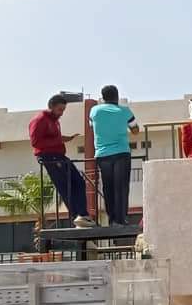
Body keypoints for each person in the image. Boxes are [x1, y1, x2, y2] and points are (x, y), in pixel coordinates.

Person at [27, 94, 94, 227]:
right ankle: (78, 215)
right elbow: (35, 142)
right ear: (51, 107)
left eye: (63, 110)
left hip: (59, 156)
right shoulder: (40, 119)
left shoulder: (54, 121)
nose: (61, 113)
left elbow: (53, 138)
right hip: (50, 157)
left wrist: (66, 139)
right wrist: (58, 140)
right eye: (60, 109)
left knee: (78, 182)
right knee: (66, 186)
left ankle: (82, 214)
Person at [89, 84, 139, 226]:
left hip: (102, 154)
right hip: (121, 152)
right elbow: (135, 130)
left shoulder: (94, 111)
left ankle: (112, 220)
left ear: (103, 97)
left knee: (108, 187)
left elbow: (92, 126)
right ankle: (121, 219)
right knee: (121, 187)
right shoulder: (125, 111)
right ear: (117, 96)